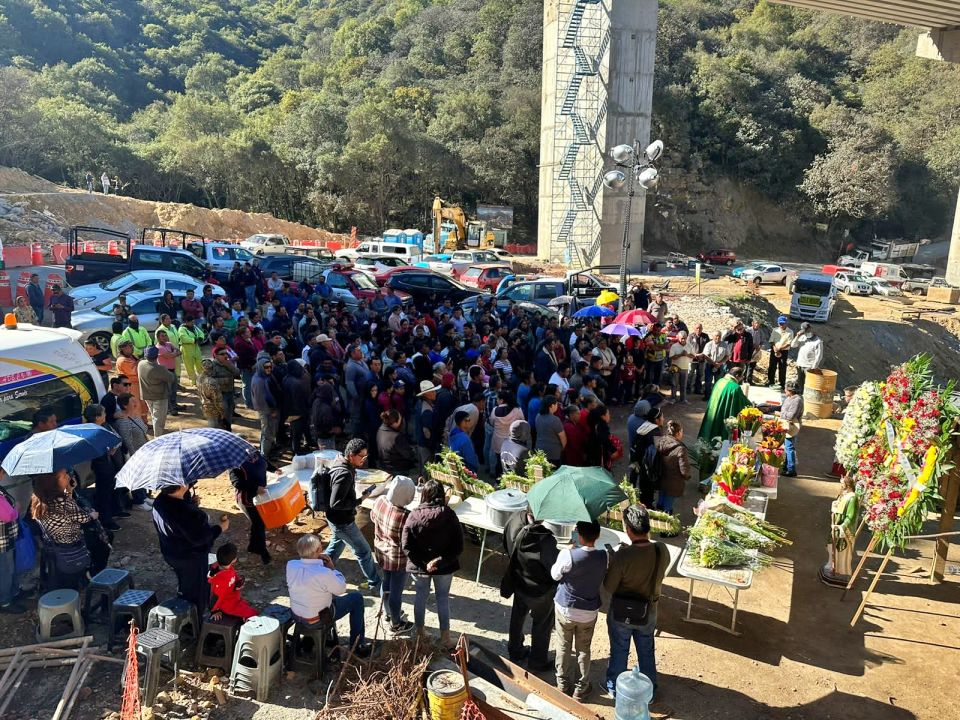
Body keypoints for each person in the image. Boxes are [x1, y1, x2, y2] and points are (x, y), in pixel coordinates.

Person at [604, 505, 668, 698]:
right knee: (646, 649)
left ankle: (615, 688)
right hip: (649, 610)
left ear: (628, 530)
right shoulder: (661, 550)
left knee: (619, 650)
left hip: (622, 612)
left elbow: (609, 587)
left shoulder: (623, 556)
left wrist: (614, 561)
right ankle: (649, 691)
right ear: (648, 528)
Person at [402, 479, 464, 650]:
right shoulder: (450, 515)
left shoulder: (413, 515)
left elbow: (406, 545)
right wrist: (440, 561)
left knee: (420, 597)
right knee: (442, 599)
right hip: (444, 568)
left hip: (419, 567)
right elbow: (458, 546)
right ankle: (445, 638)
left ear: (424, 495)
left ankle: (420, 633)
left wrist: (423, 564)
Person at [286, 534, 371, 656]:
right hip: (318, 619)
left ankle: (310, 640)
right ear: (318, 551)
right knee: (356, 599)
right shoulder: (324, 573)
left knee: (318, 596)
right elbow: (341, 589)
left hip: (297, 616)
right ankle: (358, 645)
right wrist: (332, 568)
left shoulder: (291, 565)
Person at [551, 521, 605, 700]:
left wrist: (567, 550)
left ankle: (562, 683)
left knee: (563, 645)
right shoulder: (603, 555)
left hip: (566, 608)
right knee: (584, 649)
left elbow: (555, 575)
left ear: (579, 535)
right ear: (597, 536)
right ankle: (581, 688)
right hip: (589, 612)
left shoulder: (568, 554)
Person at [152, 484, 228, 612]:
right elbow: (199, 537)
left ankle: (185, 603)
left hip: (171, 553)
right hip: (191, 558)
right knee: (196, 594)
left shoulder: (159, 501)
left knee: (186, 584)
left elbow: (179, 526)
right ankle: (192, 623)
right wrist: (220, 528)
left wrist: (190, 504)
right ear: (181, 486)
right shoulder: (183, 511)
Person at [503, 508, 559, 671]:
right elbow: (553, 569)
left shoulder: (514, 519)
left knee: (517, 617)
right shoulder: (546, 540)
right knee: (542, 624)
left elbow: (505, 541)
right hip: (540, 591)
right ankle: (537, 662)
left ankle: (515, 651)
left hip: (519, 582)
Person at [324, 438, 381, 591]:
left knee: (336, 546)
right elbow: (335, 503)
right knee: (364, 552)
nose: (364, 459)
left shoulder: (341, 463)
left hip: (336, 520)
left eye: (365, 456)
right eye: (361, 456)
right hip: (342, 522)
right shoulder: (344, 474)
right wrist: (359, 500)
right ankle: (375, 584)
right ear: (350, 455)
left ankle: (317, 572)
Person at [31, 470, 98, 589]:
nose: (68, 477)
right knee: (100, 540)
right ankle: (91, 574)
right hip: (70, 545)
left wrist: (69, 491)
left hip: (50, 544)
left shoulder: (38, 499)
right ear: (53, 482)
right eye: (64, 476)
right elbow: (84, 518)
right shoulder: (63, 501)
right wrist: (92, 514)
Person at [369, 476, 416, 634]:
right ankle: (396, 624)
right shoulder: (405, 516)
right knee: (396, 591)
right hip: (398, 559)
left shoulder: (380, 501)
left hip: (381, 553)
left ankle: (388, 614)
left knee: (386, 584)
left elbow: (372, 518)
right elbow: (410, 540)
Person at [83, 404, 121, 531]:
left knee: (107, 493)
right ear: (97, 417)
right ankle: (106, 521)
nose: (105, 415)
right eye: (103, 413)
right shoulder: (93, 431)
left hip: (107, 464)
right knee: (103, 495)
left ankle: (111, 514)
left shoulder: (100, 427)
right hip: (102, 467)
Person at [229, 452, 270, 564]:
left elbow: (264, 463)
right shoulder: (234, 464)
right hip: (246, 498)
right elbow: (237, 482)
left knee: (257, 523)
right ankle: (262, 552)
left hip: (260, 496)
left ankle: (253, 546)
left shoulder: (255, 453)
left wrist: (275, 469)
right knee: (259, 523)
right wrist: (255, 488)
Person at [698, 367, 751, 442]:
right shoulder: (735, 388)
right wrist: (752, 406)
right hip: (723, 414)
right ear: (736, 375)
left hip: (713, 411)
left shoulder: (720, 381)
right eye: (742, 376)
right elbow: (742, 403)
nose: (742, 378)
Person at [208, 543, 257, 620]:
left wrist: (238, 582)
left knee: (248, 607)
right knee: (253, 614)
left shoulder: (226, 568)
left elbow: (234, 576)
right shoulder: (221, 580)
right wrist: (214, 611)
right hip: (229, 605)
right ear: (234, 560)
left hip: (234, 598)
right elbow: (215, 597)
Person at [654, 420, 690, 517]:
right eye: (682, 432)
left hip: (661, 476)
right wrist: (687, 476)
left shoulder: (661, 440)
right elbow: (684, 469)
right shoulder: (680, 449)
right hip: (673, 481)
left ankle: (657, 514)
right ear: (678, 433)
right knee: (668, 505)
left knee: (661, 497)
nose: (682, 434)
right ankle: (665, 526)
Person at [139, 346, 174, 436]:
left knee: (154, 416)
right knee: (159, 419)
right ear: (157, 356)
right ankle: (158, 437)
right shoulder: (159, 368)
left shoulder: (141, 364)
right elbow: (171, 378)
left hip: (146, 395)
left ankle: (158, 434)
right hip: (159, 397)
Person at [0, 485, 24, 614]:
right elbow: (7, 515)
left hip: (7, 538)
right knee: (6, 571)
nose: (3, 474)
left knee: (10, 569)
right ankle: (5, 602)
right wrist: (16, 510)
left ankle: (14, 592)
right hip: (2, 542)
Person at [633, 407, 664, 507]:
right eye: (662, 417)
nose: (663, 419)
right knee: (648, 490)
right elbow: (658, 451)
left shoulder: (644, 427)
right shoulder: (655, 432)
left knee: (643, 488)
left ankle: (643, 503)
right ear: (656, 420)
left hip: (640, 463)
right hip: (649, 466)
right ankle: (647, 508)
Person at [251, 357, 281, 459]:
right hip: (267, 410)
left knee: (269, 432)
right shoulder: (260, 381)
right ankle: (265, 455)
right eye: (266, 367)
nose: (269, 369)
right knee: (267, 433)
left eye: (270, 366)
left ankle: (269, 450)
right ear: (260, 367)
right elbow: (262, 399)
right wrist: (272, 410)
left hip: (269, 409)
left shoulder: (263, 376)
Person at [489, 390, 524, 476]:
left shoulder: (495, 410)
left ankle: (498, 481)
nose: (497, 400)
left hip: (498, 442)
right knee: (512, 462)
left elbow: (492, 422)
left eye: (497, 399)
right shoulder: (517, 410)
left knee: (499, 462)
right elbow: (522, 422)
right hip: (512, 442)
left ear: (502, 400)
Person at [207, 343, 241, 431]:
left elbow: (237, 373)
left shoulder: (228, 363)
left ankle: (228, 430)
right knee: (221, 417)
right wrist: (224, 380)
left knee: (229, 414)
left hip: (230, 392)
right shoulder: (212, 366)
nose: (225, 356)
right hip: (220, 395)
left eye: (226, 354)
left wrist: (229, 365)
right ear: (216, 356)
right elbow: (208, 381)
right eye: (222, 354)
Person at [376, 409, 418, 477]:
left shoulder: (380, 430)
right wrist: (414, 452)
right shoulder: (396, 437)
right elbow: (408, 454)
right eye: (400, 419)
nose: (402, 421)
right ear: (395, 423)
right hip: (397, 470)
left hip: (384, 467)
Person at [779, 380, 804, 477]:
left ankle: (791, 469)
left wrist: (781, 414)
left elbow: (790, 415)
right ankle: (786, 467)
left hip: (791, 427)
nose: (785, 390)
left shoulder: (797, 400)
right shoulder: (789, 398)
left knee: (789, 447)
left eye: (786, 389)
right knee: (787, 447)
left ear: (790, 390)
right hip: (786, 425)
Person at [791, 322, 823, 393]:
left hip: (809, 366)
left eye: (806, 330)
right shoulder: (802, 337)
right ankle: (800, 396)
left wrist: (813, 367)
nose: (805, 332)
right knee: (800, 383)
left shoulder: (818, 341)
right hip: (800, 364)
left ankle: (806, 399)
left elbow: (819, 356)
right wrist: (797, 337)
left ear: (810, 329)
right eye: (803, 331)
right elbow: (793, 345)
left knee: (808, 384)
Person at [535, 395, 566, 467]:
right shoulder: (555, 420)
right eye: (556, 404)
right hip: (553, 453)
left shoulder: (538, 416)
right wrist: (561, 449)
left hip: (540, 450)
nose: (557, 406)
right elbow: (563, 438)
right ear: (552, 405)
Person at [766, 316, 794, 390]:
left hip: (784, 351)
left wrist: (780, 348)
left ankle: (781, 383)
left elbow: (789, 343)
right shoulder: (775, 330)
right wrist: (775, 348)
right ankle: (770, 381)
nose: (781, 325)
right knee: (772, 366)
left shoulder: (790, 332)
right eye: (780, 324)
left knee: (782, 367)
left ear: (786, 323)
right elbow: (772, 340)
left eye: (783, 323)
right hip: (774, 350)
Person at [177, 316, 205, 385]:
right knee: (189, 366)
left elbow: (201, 333)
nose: (193, 323)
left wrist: (201, 338)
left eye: (193, 322)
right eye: (191, 322)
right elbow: (184, 338)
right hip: (186, 348)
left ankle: (202, 379)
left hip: (196, 347)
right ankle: (193, 381)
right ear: (186, 322)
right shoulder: (181, 329)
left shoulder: (194, 327)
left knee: (199, 363)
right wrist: (194, 340)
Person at [701, 330, 728, 399]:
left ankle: (716, 397)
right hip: (709, 365)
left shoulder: (724, 345)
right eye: (716, 336)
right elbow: (705, 356)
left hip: (720, 366)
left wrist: (720, 363)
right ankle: (707, 396)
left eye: (719, 336)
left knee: (718, 382)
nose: (718, 337)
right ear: (713, 336)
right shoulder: (709, 344)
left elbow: (727, 356)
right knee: (708, 382)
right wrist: (714, 363)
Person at [667, 330, 692, 403]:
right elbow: (671, 357)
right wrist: (681, 355)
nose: (683, 339)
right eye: (682, 338)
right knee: (674, 384)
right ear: (678, 338)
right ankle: (673, 398)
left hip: (685, 367)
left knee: (683, 385)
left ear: (687, 337)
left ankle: (683, 399)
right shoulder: (674, 346)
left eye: (684, 338)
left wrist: (687, 355)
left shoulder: (689, 345)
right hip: (675, 367)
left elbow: (694, 355)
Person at [747, 318, 770, 385]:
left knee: (752, 366)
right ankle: (743, 379)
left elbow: (763, 341)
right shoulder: (748, 330)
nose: (757, 325)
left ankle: (749, 380)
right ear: (752, 323)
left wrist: (760, 346)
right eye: (755, 323)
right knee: (746, 365)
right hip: (748, 350)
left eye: (758, 324)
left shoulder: (761, 332)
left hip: (756, 351)